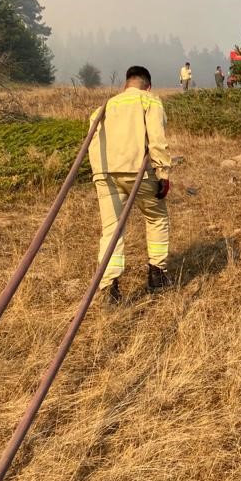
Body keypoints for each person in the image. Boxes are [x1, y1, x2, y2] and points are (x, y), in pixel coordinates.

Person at [88, 65, 172, 303]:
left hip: (105, 174)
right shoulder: (149, 101)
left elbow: (93, 142)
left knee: (111, 230)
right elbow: (157, 138)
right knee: (156, 217)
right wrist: (163, 173)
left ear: (125, 85)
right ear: (148, 86)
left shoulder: (104, 108)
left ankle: (108, 288)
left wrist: (100, 175)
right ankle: (157, 274)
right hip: (138, 171)